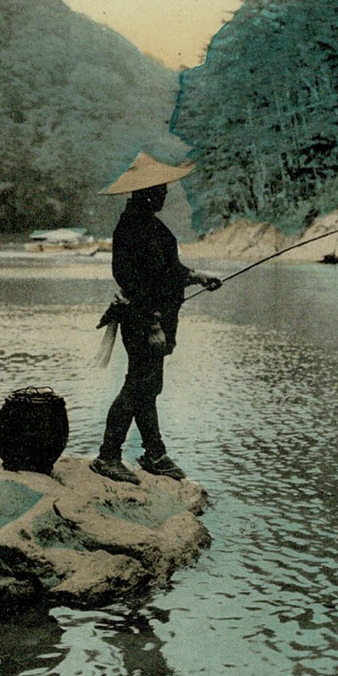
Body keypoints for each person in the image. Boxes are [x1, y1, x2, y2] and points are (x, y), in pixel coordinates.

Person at [91, 153, 221, 484]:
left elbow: (169, 271)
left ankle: (154, 453)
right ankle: (108, 456)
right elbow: (132, 281)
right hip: (142, 320)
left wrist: (198, 276)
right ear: (146, 192)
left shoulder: (149, 223)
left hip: (152, 318)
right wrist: (153, 326)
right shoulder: (133, 227)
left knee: (148, 385)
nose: (165, 194)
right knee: (138, 385)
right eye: (161, 190)